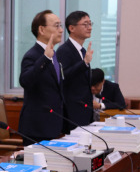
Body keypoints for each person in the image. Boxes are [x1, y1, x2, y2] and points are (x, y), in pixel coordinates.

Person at [18, 10, 65, 145]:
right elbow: (25, 80)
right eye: (56, 26)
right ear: (42, 30)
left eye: (61, 26)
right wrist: (44, 58)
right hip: (37, 127)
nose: (61, 30)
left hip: (54, 125)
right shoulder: (32, 55)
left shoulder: (54, 54)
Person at [56, 11, 94, 129]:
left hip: (85, 109)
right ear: (72, 28)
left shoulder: (82, 51)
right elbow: (63, 76)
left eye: (90, 23)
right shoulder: (64, 50)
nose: (90, 27)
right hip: (72, 112)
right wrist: (84, 63)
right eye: (85, 24)